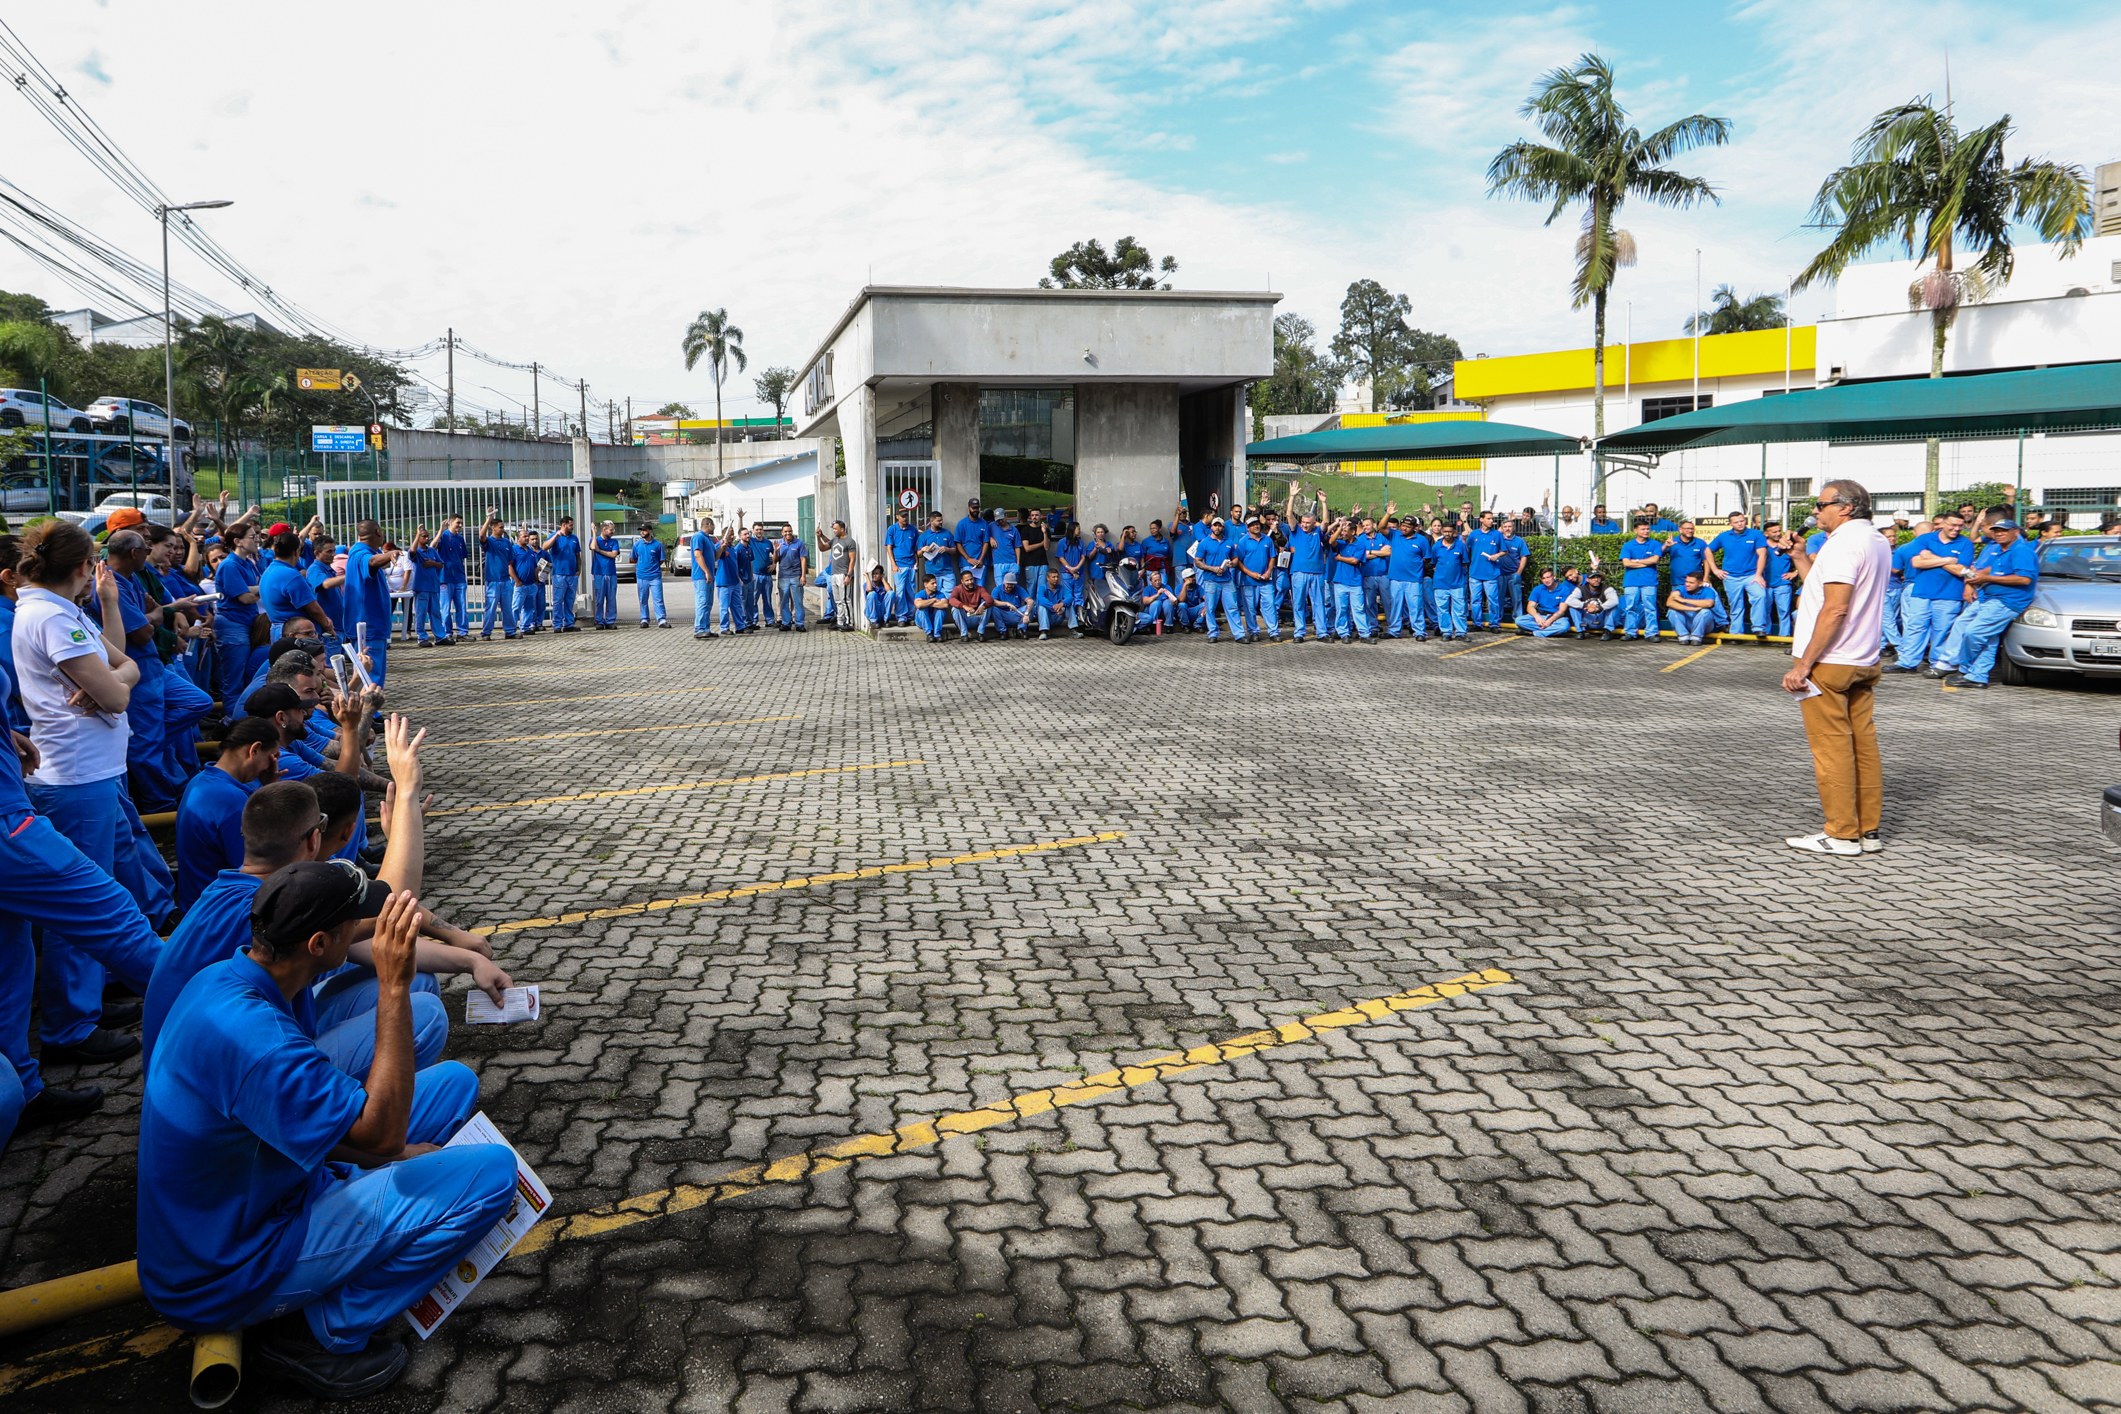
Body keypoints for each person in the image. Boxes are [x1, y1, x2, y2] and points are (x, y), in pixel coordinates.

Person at [137, 866, 518, 1399]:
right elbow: (380, 1137)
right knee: (494, 1175)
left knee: (454, 1082)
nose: (362, 927)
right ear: (318, 943)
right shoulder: (258, 1040)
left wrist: (455, 945)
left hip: (264, 1194)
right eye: (351, 923)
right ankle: (316, 1333)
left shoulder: (238, 975)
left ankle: (357, 1230)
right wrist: (393, 986)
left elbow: (297, 1119)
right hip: (228, 1268)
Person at [0, 649, 166, 1139]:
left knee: (10, 962)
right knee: (117, 919)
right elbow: (117, 684)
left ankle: (23, 1088)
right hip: (10, 827)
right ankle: (251, 1023)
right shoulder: (39, 612)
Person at [1781, 479, 1891, 856]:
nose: (1815, 510)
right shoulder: (1875, 539)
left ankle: (1841, 833)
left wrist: (1803, 666)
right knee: (1863, 745)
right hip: (1863, 658)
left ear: (1844, 507)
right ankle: (1867, 831)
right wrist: (1800, 557)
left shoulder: (1843, 543)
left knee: (1832, 749)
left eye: (1821, 503)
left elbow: (1836, 608)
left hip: (1831, 660)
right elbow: (1825, 589)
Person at [175, 715, 281, 907]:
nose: (271, 766)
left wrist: (266, 790)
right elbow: (255, 870)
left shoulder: (200, 780)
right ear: (254, 750)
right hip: (220, 908)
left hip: (197, 900)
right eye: (271, 757)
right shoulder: (231, 800)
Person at [1927, 515, 2038, 690]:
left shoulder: (2021, 551)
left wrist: (1987, 577)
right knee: (1979, 634)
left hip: (2005, 601)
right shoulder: (2000, 549)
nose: (1999, 534)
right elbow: (1988, 570)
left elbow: (2024, 579)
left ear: (2015, 532)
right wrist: (1974, 578)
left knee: (1973, 633)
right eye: (1996, 531)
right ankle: (1978, 676)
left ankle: (1964, 670)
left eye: (2004, 531)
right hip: (1987, 597)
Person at [1891, 510, 1978, 672]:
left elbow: (1962, 570)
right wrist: (1947, 560)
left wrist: (1931, 558)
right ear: (1943, 524)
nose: (1957, 529)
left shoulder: (1965, 544)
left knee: (1942, 631)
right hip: (1921, 592)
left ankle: (1937, 664)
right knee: (1915, 628)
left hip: (1950, 594)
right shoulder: (1925, 539)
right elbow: (1917, 563)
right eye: (1953, 525)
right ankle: (1907, 663)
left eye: (1960, 526)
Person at [211, 521, 264, 704]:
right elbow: (245, 598)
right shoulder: (230, 566)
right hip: (233, 626)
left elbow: (250, 592)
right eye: (251, 537)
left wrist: (253, 589)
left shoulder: (246, 563)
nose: (256, 540)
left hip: (245, 623)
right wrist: (263, 588)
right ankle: (231, 722)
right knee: (233, 680)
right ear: (238, 541)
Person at [342, 522, 398, 683]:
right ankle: (369, 708)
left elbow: (377, 560)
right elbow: (372, 562)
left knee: (366, 677)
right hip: (368, 628)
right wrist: (389, 554)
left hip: (366, 627)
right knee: (371, 680)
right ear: (378, 532)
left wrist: (385, 557)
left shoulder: (359, 551)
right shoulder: (361, 553)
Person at [261, 531, 336, 643]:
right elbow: (313, 609)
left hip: (280, 633)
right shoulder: (290, 575)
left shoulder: (268, 572)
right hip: (297, 635)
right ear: (297, 552)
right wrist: (327, 626)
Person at [1709, 512, 1768, 638]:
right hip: (1730, 577)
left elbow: (1762, 555)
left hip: (1752, 575)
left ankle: (1758, 628)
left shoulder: (1756, 534)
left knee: (1760, 596)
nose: (1740, 524)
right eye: (1736, 522)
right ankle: (1736, 633)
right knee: (1735, 604)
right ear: (1730, 524)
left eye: (1742, 521)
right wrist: (1715, 569)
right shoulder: (1724, 536)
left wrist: (1758, 575)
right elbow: (1708, 550)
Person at [1283, 489, 1330, 643]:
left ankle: (1322, 632)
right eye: (1302, 522)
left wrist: (1323, 502)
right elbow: (1289, 515)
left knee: (1319, 604)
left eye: (1307, 523)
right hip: (1299, 573)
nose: (1304, 525)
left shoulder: (1318, 532)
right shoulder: (1296, 531)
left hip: (1317, 573)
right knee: (1298, 603)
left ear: (1313, 523)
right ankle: (1299, 632)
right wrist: (1292, 496)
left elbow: (1326, 522)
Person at [1190, 518, 1246, 642]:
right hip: (1211, 580)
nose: (1217, 528)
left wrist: (1232, 564)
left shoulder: (1229, 543)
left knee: (1232, 607)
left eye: (1219, 526)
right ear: (1211, 527)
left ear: (1222, 527)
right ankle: (1213, 634)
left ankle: (1239, 634)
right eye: (1215, 525)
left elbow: (1235, 559)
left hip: (1226, 579)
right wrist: (1212, 569)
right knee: (1210, 608)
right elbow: (1198, 562)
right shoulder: (1204, 543)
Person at [1327, 517, 1375, 643]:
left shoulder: (1360, 544)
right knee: (1342, 608)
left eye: (1345, 531)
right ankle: (1344, 633)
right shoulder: (1341, 544)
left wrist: (1340, 558)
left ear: (1353, 532)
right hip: (1340, 581)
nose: (1343, 533)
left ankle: (1364, 634)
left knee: (1358, 609)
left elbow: (1355, 561)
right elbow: (1331, 541)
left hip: (1355, 582)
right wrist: (1340, 526)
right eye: (1342, 531)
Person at [1617, 520, 1663, 641]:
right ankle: (1630, 632)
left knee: (1650, 607)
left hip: (1649, 581)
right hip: (1631, 582)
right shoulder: (1628, 546)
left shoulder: (1655, 544)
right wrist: (1644, 562)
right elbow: (1626, 563)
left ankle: (1651, 633)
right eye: (1643, 529)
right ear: (1635, 530)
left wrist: (1635, 561)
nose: (1646, 531)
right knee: (1630, 607)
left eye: (1647, 529)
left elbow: (1654, 560)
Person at [1428, 520, 1471, 640]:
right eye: (1445, 531)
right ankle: (1446, 632)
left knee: (1460, 610)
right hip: (1440, 584)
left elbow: (1464, 562)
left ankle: (1461, 632)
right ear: (1442, 531)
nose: (1447, 534)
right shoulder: (1436, 546)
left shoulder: (1461, 545)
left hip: (1457, 584)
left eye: (1449, 532)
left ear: (1454, 532)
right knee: (1442, 610)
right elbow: (1433, 563)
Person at [1465, 511, 1505, 631]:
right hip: (1475, 573)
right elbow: (1468, 548)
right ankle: (1477, 624)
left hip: (1491, 574)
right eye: (1488, 518)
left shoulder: (1497, 534)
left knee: (1493, 600)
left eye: (1492, 519)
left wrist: (1497, 555)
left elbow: (1504, 551)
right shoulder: (1473, 535)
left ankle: (1494, 624)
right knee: (1475, 600)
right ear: (1481, 519)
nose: (1491, 521)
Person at [433, 515, 469, 642]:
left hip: (459, 578)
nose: (460, 525)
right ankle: (446, 633)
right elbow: (432, 547)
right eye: (458, 523)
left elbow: (462, 556)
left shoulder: (460, 538)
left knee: (462, 607)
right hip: (445, 578)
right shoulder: (443, 536)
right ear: (451, 523)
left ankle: (462, 632)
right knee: (445, 608)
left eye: (461, 523)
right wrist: (440, 531)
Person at [407, 528, 444, 646]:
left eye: (428, 536)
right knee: (421, 613)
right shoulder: (416, 552)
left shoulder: (432, 551)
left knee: (435, 613)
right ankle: (422, 638)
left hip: (433, 586)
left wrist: (432, 563)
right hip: (421, 587)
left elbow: (441, 565)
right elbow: (412, 551)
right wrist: (417, 534)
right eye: (424, 536)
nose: (427, 539)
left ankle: (440, 636)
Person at [883, 508, 920, 626]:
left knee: (910, 591)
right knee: (900, 591)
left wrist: (917, 562)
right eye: (902, 516)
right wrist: (893, 564)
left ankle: (910, 615)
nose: (905, 518)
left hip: (911, 565)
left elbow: (915, 548)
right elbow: (889, 547)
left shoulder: (913, 530)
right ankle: (901, 617)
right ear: (897, 516)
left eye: (906, 516)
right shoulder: (892, 529)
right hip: (899, 565)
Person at [820, 519, 857, 629]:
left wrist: (848, 575)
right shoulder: (835, 540)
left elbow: (852, 560)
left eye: (835, 528)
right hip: (834, 574)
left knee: (845, 599)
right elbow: (823, 547)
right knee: (837, 600)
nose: (834, 531)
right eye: (833, 529)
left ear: (842, 528)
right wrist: (819, 536)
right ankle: (840, 621)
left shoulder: (850, 541)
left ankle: (849, 622)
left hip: (843, 574)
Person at [547, 516, 581, 633]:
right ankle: (557, 624)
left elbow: (577, 555)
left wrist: (578, 570)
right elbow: (544, 547)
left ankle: (569, 624)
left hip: (572, 574)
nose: (572, 527)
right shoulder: (555, 537)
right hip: (559, 574)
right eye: (570, 525)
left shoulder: (574, 538)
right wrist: (556, 536)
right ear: (564, 525)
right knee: (558, 600)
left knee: (570, 600)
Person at [1515, 569, 1574, 637]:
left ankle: (1533, 633)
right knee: (1519, 620)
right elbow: (1530, 606)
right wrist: (1537, 617)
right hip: (1541, 615)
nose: (1546, 580)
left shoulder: (1564, 589)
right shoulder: (1537, 589)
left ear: (1554, 576)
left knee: (1564, 626)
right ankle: (1549, 630)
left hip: (1557, 618)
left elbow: (1562, 611)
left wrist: (1549, 621)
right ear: (1541, 580)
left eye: (1548, 577)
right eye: (1543, 578)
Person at [1763, 526, 1799, 636]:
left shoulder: (1787, 545)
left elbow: (1801, 558)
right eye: (1774, 532)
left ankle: (1784, 636)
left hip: (1783, 584)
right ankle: (1766, 635)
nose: (1778, 533)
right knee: (1765, 611)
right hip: (1765, 584)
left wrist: (1795, 572)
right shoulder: (1761, 546)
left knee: (1784, 612)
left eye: (1779, 531)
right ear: (1766, 534)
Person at [631, 526, 668, 628]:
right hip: (642, 577)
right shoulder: (637, 545)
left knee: (658, 599)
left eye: (644, 530)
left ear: (650, 531)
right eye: (641, 530)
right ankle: (644, 619)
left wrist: (653, 567)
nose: (642, 532)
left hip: (655, 576)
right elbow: (634, 558)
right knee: (643, 599)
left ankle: (661, 620)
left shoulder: (658, 545)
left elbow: (661, 560)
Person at [1665, 573, 1719, 644]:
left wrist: (1684, 600)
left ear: (1700, 584)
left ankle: (1696, 637)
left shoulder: (1708, 591)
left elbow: (1709, 603)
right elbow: (1669, 603)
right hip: (1687, 621)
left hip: (1704, 626)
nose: (1687, 584)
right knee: (1672, 611)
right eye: (1686, 581)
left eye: (1691, 582)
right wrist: (1692, 609)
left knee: (1705, 612)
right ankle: (1683, 636)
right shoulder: (1680, 589)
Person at [776, 523, 810, 632]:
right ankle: (786, 623)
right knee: (784, 601)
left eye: (789, 531)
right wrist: (776, 551)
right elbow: (775, 560)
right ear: (782, 533)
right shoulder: (779, 543)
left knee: (798, 601)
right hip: (783, 577)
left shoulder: (799, 543)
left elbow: (803, 559)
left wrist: (803, 576)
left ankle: (799, 623)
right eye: (785, 531)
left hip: (796, 575)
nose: (788, 533)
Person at [687, 521, 719, 640]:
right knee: (702, 601)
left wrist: (722, 547)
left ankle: (706, 628)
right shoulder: (698, 537)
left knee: (708, 603)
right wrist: (706, 571)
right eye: (714, 525)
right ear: (709, 525)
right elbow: (697, 555)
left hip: (709, 575)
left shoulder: (708, 539)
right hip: (701, 576)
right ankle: (699, 628)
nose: (714, 528)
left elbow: (715, 557)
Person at [917, 511, 959, 597]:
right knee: (933, 596)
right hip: (932, 572)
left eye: (941, 520)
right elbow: (919, 554)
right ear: (931, 521)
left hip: (947, 572)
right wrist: (923, 549)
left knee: (949, 596)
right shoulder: (924, 536)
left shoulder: (947, 534)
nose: (941, 522)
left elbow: (955, 550)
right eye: (938, 521)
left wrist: (947, 549)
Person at [1565, 573, 1619, 638]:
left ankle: (1607, 631)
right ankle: (1580, 631)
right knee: (1573, 607)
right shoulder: (1581, 589)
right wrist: (1586, 605)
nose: (1596, 580)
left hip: (1602, 619)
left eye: (1598, 577)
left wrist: (1599, 608)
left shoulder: (1607, 588)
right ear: (1587, 579)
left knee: (1613, 606)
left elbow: (1615, 600)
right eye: (1593, 578)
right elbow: (1569, 601)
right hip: (1587, 619)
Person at [947, 570, 995, 641]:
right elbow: (951, 600)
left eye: (971, 579)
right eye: (967, 580)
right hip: (965, 618)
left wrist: (983, 606)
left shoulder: (980, 588)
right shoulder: (957, 589)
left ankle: (980, 633)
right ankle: (964, 635)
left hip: (977, 616)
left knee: (988, 606)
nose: (970, 582)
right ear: (962, 581)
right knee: (955, 609)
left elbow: (990, 599)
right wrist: (964, 606)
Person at [954, 499, 991, 591]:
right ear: (969, 508)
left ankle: (980, 606)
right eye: (973, 508)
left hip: (980, 563)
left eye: (977, 508)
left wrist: (981, 560)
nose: (975, 510)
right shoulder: (962, 524)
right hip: (966, 562)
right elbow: (958, 543)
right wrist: (968, 558)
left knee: (981, 589)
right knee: (966, 590)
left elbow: (986, 542)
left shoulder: (984, 524)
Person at [589, 521, 620, 629]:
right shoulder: (596, 540)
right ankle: (599, 621)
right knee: (599, 599)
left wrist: (600, 551)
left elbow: (613, 554)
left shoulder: (614, 541)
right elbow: (593, 547)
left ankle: (610, 620)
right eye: (611, 529)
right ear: (604, 530)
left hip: (611, 573)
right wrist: (593, 533)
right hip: (599, 573)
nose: (613, 532)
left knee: (611, 598)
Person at [1034, 568, 1071, 640]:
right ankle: (1043, 631)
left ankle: (1074, 629)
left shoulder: (1062, 588)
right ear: (1048, 578)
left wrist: (1062, 604)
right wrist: (1054, 606)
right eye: (1053, 577)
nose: (1056, 579)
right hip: (1046, 616)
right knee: (1041, 607)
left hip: (1058, 616)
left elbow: (1070, 597)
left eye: (1057, 577)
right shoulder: (1042, 587)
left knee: (1069, 605)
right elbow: (1040, 599)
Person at [1139, 569, 1179, 634]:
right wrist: (1157, 595)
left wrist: (1172, 599)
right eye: (1155, 581)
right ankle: (1154, 625)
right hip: (1151, 612)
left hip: (1164, 613)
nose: (1157, 582)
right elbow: (1145, 601)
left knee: (1167, 602)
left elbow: (1174, 602)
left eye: (1159, 580)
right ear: (1151, 581)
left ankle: (1169, 625)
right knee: (1157, 602)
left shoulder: (1166, 587)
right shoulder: (1147, 589)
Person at [990, 571, 1029, 638]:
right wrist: (1007, 603)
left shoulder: (1019, 589)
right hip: (1003, 614)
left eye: (1012, 584)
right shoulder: (997, 590)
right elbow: (993, 602)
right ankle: (1003, 631)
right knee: (992, 608)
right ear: (1003, 582)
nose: (1010, 586)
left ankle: (1021, 629)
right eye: (1008, 583)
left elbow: (1029, 600)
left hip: (1016, 613)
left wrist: (1027, 613)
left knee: (1031, 607)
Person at [912, 575, 950, 642]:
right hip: (921, 621)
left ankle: (937, 634)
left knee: (941, 610)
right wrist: (934, 600)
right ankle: (929, 634)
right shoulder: (920, 594)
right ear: (925, 584)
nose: (935, 585)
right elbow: (919, 605)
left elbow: (945, 604)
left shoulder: (940, 594)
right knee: (922, 609)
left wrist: (927, 604)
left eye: (935, 583)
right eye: (932, 583)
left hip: (935, 621)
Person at [862, 565, 891, 630]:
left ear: (881, 575)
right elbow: (869, 589)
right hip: (872, 611)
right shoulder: (867, 584)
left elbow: (889, 591)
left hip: (882, 610)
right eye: (873, 574)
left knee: (891, 594)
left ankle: (886, 620)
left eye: (877, 574)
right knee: (872, 594)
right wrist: (867, 576)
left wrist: (883, 579)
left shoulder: (883, 584)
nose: (874, 575)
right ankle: (873, 621)